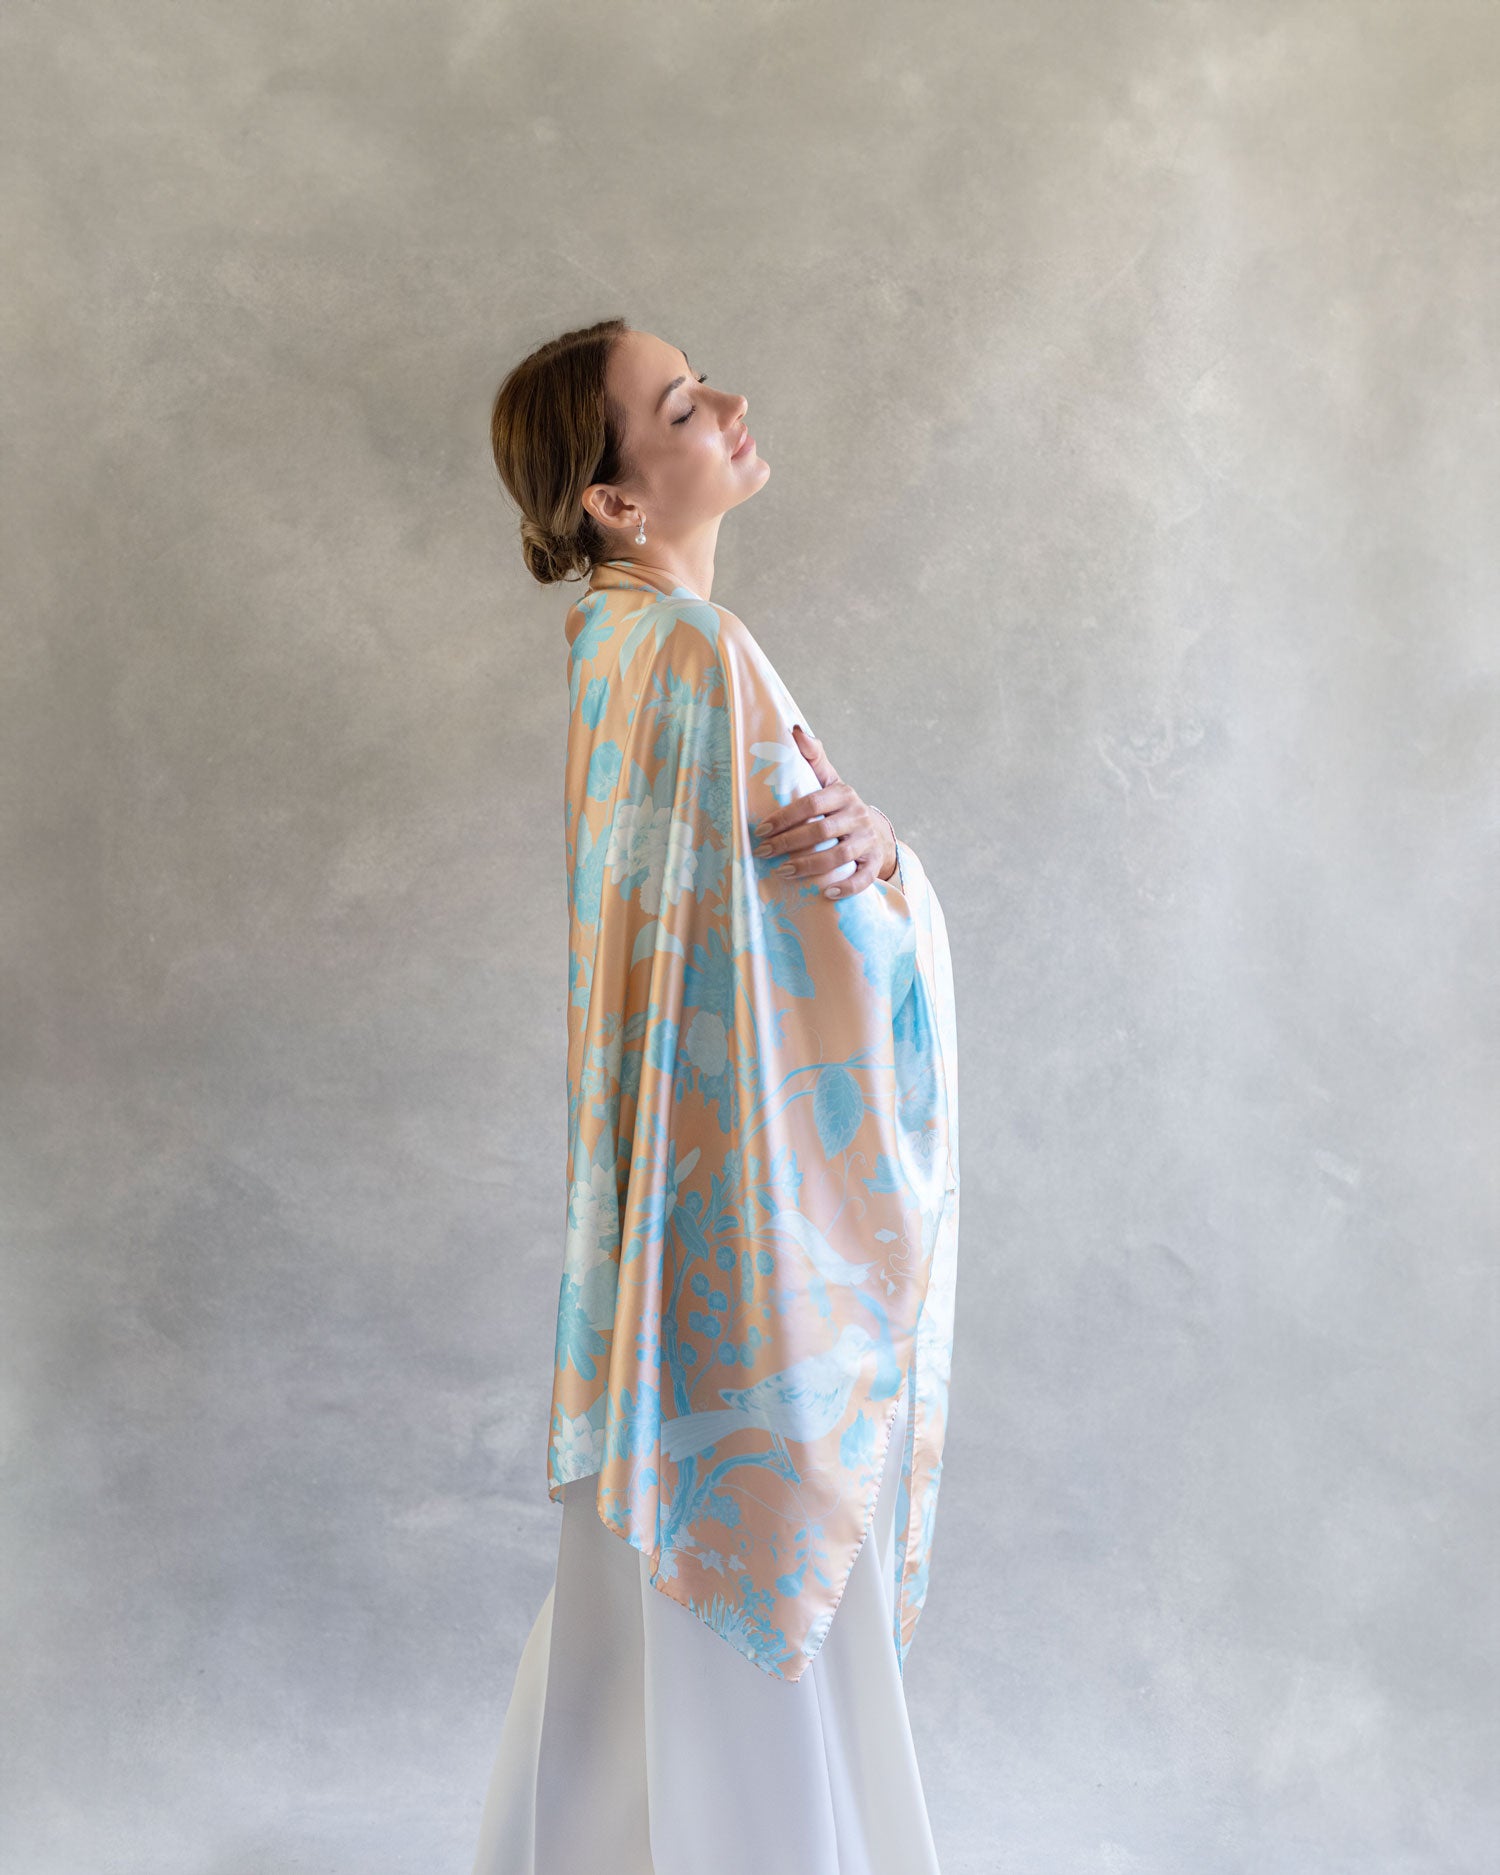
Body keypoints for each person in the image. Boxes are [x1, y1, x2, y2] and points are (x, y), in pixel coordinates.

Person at [473, 318, 960, 1875]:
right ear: (618, 501)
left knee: (641, 1615)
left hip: (652, 1217)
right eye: (681, 406)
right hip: (743, 1230)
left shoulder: (613, 654)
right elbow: (821, 944)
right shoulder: (692, 652)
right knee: (757, 1577)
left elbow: (715, 940)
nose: (731, 405)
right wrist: (894, 873)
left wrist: (868, 855)